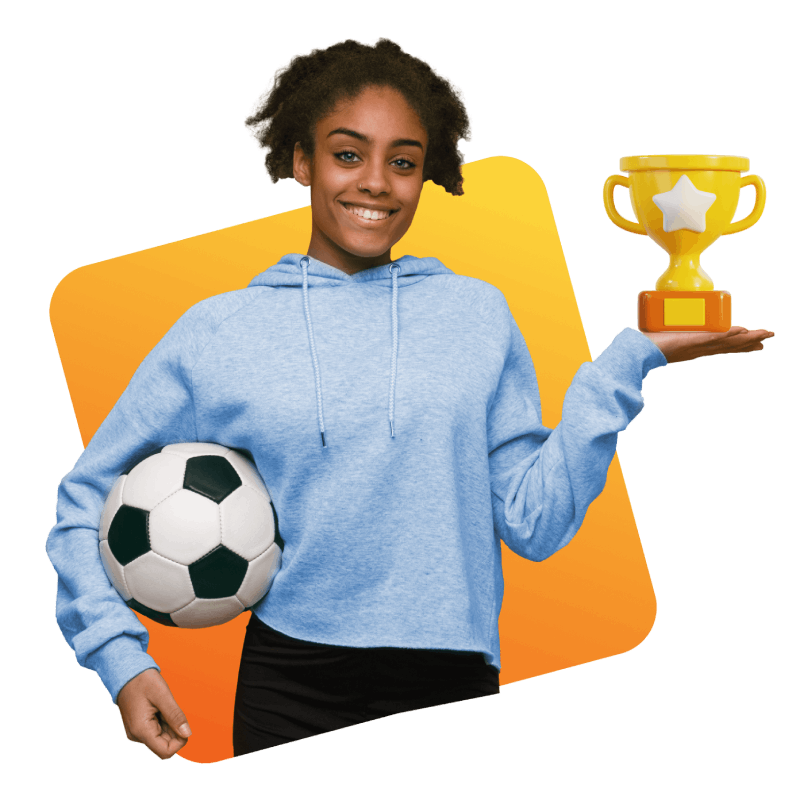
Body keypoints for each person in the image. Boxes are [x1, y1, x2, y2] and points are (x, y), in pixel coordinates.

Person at [46, 38, 775, 762]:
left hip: (453, 675)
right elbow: (84, 499)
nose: (375, 183)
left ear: (426, 177)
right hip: (289, 681)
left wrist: (626, 365)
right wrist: (122, 661)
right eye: (347, 153)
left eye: (403, 162)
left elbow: (534, 523)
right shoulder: (218, 331)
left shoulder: (476, 314)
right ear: (302, 161)